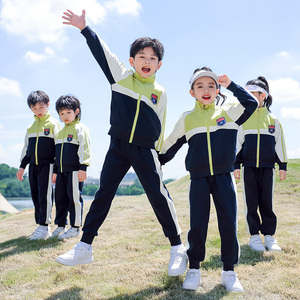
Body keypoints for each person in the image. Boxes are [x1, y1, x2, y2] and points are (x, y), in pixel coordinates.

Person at [56, 9, 186, 277]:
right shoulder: (120, 76)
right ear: (132, 60)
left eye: (152, 58)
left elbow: (160, 124)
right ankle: (84, 246)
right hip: (117, 145)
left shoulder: (159, 92)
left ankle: (177, 248)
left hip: (145, 149)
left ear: (159, 64)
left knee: (158, 196)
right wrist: (85, 28)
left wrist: (159, 155)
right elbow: (102, 53)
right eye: (141, 57)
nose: (146, 61)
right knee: (104, 193)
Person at [159, 67, 258, 292]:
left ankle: (229, 271)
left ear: (218, 89)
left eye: (211, 86)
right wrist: (153, 161)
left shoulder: (229, 113)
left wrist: (232, 84)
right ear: (192, 92)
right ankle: (194, 268)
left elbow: (251, 103)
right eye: (200, 86)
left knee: (228, 224)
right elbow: (169, 146)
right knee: (198, 225)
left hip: (224, 177)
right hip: (199, 179)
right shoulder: (187, 119)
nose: (206, 90)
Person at [234, 76, 287, 252]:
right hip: (248, 167)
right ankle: (254, 236)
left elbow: (280, 144)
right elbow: (237, 143)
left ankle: (269, 236)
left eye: (252, 94)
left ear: (263, 96)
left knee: (267, 202)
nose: (248, 98)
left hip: (267, 168)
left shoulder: (273, 120)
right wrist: (235, 165)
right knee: (251, 202)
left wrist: (283, 165)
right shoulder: (243, 119)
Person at [16, 90, 60, 240]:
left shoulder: (54, 123)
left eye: (41, 107)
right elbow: (26, 149)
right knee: (35, 195)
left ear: (48, 105)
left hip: (47, 165)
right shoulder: (31, 127)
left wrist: (56, 169)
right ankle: (41, 226)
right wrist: (22, 166)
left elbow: (59, 147)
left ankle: (45, 225)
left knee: (44, 195)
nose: (38, 111)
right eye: (34, 109)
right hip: (33, 167)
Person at [51, 95, 91, 240]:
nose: (65, 116)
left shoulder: (81, 129)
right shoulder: (60, 133)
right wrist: (55, 171)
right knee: (60, 199)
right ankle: (61, 226)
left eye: (68, 112)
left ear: (77, 111)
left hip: (75, 171)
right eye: (61, 113)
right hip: (61, 172)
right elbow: (56, 154)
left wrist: (83, 167)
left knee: (74, 199)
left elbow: (85, 149)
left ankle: (75, 228)